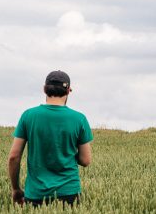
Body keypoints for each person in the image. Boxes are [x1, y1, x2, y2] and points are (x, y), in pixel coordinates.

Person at [7, 70, 93, 206]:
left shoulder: (28, 116)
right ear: (69, 90)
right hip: (69, 193)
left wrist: (16, 189)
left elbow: (13, 157)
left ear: (44, 89)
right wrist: (65, 153)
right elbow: (86, 160)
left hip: (35, 194)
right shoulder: (79, 119)